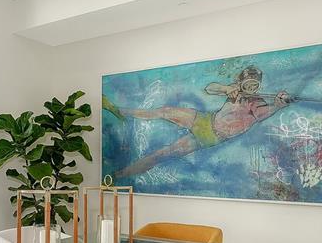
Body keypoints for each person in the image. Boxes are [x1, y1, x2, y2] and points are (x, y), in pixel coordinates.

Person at [104, 66, 291, 178]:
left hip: (210, 136)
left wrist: (278, 104)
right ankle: (119, 111)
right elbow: (210, 88)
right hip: (204, 119)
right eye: (247, 83)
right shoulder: (235, 91)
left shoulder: (257, 103)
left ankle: (119, 175)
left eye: (254, 85)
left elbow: (264, 113)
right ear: (241, 82)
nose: (250, 87)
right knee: (164, 111)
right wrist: (227, 88)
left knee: (162, 153)